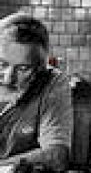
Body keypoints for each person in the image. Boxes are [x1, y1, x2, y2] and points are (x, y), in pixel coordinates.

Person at [0, 13, 73, 172]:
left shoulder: (53, 82)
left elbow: (57, 156)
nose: (7, 79)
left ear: (40, 70)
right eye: (1, 64)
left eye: (23, 68)